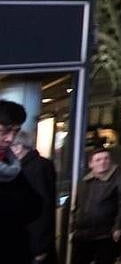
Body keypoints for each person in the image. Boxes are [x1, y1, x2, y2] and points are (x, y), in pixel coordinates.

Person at [70, 149, 121, 264]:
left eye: (106, 158)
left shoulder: (120, 176)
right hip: (83, 234)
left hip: (106, 234)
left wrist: (118, 226)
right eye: (98, 160)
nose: (102, 162)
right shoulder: (86, 180)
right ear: (91, 164)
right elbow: (78, 205)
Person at [1, 100, 41, 264]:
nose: (10, 139)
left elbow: (36, 206)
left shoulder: (12, 167)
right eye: (5, 131)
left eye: (15, 132)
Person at [14, 128, 60, 264]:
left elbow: (42, 208)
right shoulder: (20, 167)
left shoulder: (39, 167)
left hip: (35, 245)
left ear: (18, 147)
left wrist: (40, 247)